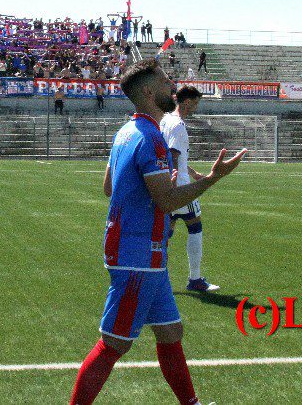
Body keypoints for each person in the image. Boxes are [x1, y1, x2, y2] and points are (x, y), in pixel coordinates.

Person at [71, 60, 246, 404]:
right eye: (168, 83)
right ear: (150, 92)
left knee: (170, 332)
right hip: (136, 254)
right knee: (113, 344)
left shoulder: (125, 132)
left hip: (144, 252)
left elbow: (109, 187)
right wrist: (212, 179)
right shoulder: (152, 138)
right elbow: (166, 201)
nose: (174, 88)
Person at [161, 85, 219, 293]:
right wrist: (175, 187)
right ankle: (195, 279)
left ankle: (158, 277)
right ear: (186, 102)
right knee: (195, 227)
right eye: (195, 103)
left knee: (166, 232)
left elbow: (171, 155)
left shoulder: (166, 120)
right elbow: (174, 156)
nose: (196, 107)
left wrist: (192, 172)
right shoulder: (178, 126)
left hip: (170, 184)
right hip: (180, 187)